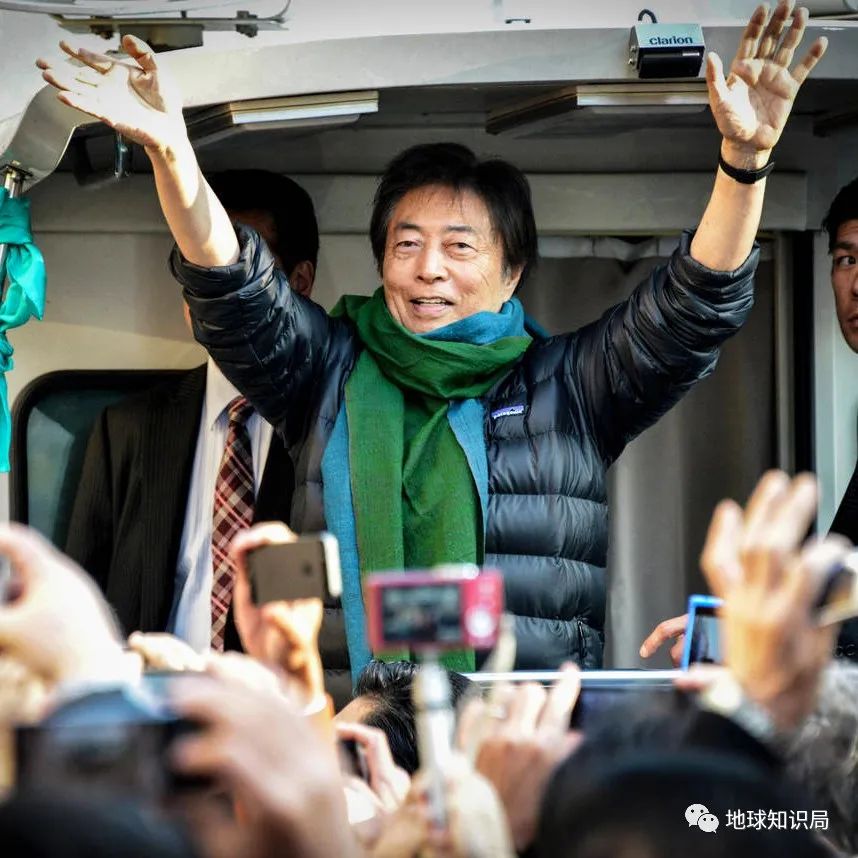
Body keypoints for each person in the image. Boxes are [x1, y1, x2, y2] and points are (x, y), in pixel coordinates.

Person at [38, 0, 827, 679]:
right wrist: (172, 153)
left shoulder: (571, 388)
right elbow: (236, 287)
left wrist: (744, 164)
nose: (428, 270)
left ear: (512, 273)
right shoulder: (329, 371)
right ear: (381, 260)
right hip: (353, 733)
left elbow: (691, 309)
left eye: (459, 247)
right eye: (406, 244)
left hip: (513, 738)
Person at [64, 170, 323, 659]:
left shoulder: (330, 422)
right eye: (198, 266)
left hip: (272, 690)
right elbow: (79, 594)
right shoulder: (128, 428)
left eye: (237, 268)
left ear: (299, 282)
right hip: (149, 686)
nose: (212, 287)